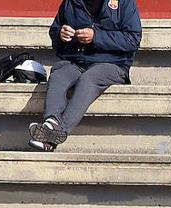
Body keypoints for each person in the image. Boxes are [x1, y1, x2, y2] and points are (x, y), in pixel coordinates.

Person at [30, 0, 141, 151]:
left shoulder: (124, 3)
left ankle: (57, 131)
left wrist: (96, 37)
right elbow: (55, 34)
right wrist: (60, 35)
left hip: (112, 64)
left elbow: (133, 39)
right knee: (59, 75)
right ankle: (51, 121)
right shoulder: (70, 3)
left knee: (89, 79)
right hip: (76, 61)